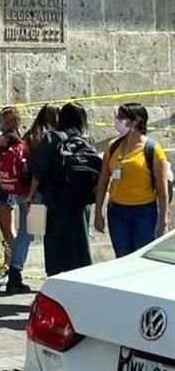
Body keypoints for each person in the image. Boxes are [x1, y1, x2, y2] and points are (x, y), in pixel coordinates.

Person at [94, 103, 170, 257]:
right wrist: (98, 213)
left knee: (140, 257)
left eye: (121, 118)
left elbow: (162, 191)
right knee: (122, 256)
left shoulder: (153, 149)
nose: (117, 121)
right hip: (117, 212)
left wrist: (163, 221)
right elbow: (103, 181)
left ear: (135, 121)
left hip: (144, 213)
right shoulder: (113, 146)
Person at [29, 102, 95, 276]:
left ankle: (57, 277)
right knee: (80, 240)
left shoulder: (52, 138)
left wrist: (31, 195)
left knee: (55, 241)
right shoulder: (87, 140)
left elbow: (40, 170)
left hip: (56, 198)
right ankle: (81, 275)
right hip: (81, 201)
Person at [0, 107, 32, 293]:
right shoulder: (6, 137)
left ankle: (13, 268)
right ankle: (7, 264)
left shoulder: (10, 138)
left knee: (8, 229)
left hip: (5, 187)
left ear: (9, 122)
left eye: (2, 119)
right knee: (4, 229)